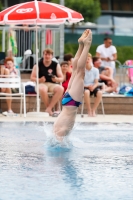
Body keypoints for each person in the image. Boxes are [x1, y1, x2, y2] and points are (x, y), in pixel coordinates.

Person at [53, 29, 92, 141]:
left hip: (71, 104)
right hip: (66, 102)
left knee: (79, 72)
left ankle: (86, 45)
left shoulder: (59, 134)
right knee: (76, 70)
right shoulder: (55, 130)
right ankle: (80, 45)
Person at [30, 48, 64, 116]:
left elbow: (61, 78)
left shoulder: (56, 65)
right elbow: (32, 78)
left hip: (52, 83)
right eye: (45, 54)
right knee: (43, 89)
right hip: (41, 83)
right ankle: (48, 108)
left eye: (49, 55)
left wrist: (56, 79)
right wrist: (39, 80)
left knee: (61, 89)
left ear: (52, 56)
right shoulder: (38, 64)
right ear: (43, 55)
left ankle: (49, 108)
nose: (47, 56)